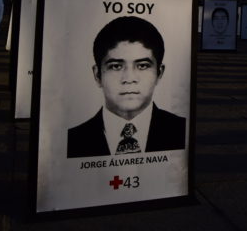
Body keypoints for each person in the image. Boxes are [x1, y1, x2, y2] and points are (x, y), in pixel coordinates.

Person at [67, 16, 186, 158]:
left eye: (142, 66)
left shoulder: (182, 130)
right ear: (97, 74)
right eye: (116, 66)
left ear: (159, 73)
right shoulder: (73, 140)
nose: (129, 79)